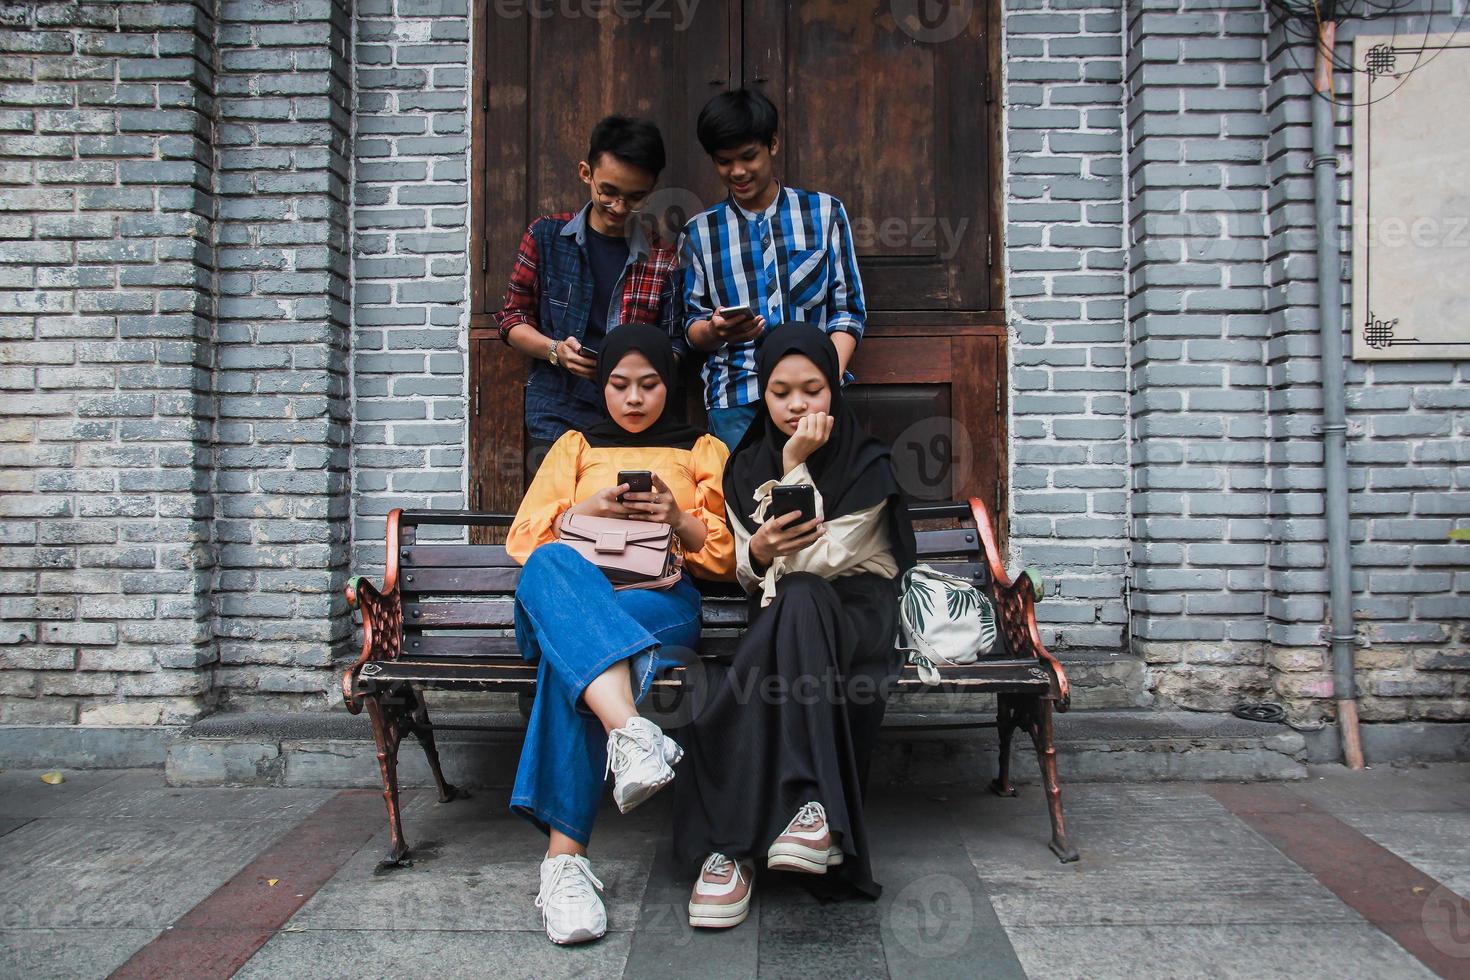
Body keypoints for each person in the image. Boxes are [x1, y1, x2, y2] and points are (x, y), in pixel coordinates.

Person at [672, 325, 916, 929]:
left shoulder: (867, 461)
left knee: (801, 596)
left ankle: (729, 849)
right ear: (763, 393)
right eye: (781, 392)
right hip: (786, 617)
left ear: (834, 389)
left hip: (856, 613)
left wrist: (792, 471)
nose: (797, 405)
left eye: (812, 389)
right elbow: (752, 576)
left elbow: (819, 560)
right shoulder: (745, 464)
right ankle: (808, 810)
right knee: (794, 603)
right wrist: (756, 552)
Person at [505, 324, 735, 946]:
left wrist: (679, 518)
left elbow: (729, 560)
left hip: (658, 602)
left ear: (671, 384)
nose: (634, 399)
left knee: (573, 660)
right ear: (601, 386)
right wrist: (588, 512)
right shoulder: (574, 447)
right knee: (555, 569)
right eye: (619, 384)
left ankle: (563, 866)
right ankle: (632, 734)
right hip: (572, 597)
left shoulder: (702, 450)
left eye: (650, 384)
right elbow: (526, 540)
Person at [495, 115, 686, 475]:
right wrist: (555, 351)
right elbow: (511, 318)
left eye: (635, 198)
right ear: (586, 173)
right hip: (557, 403)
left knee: (628, 521)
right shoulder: (546, 237)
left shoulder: (664, 256)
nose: (618, 207)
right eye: (608, 192)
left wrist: (634, 369)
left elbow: (675, 343)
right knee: (559, 514)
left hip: (636, 411)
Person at [680, 88, 867, 450]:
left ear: (773, 145)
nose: (737, 171)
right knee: (749, 504)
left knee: (818, 503)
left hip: (813, 400)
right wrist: (716, 330)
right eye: (724, 161)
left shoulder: (824, 213)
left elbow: (847, 311)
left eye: (748, 157)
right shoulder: (699, 233)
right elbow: (691, 327)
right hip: (736, 398)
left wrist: (826, 379)